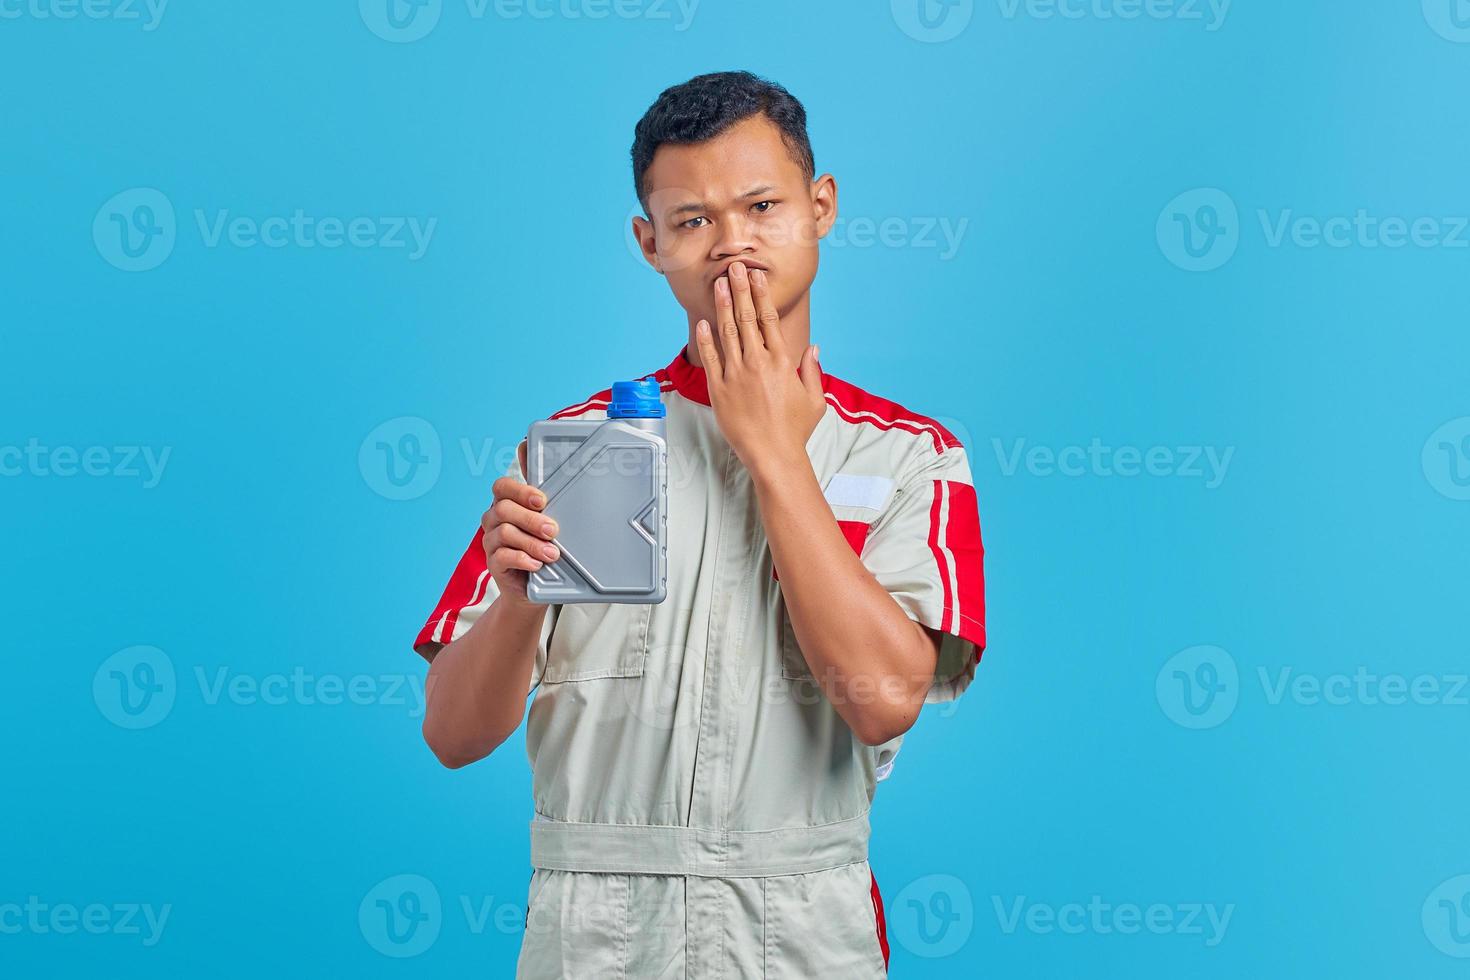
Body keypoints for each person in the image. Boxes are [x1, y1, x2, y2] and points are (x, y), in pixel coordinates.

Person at [412, 70, 987, 978]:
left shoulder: (910, 455)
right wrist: (521, 599)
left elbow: (882, 703)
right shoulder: (578, 448)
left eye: (762, 205)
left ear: (821, 205)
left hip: (801, 930)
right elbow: (452, 736)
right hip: (594, 935)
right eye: (693, 220)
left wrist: (775, 455)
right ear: (649, 243)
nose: (733, 245)